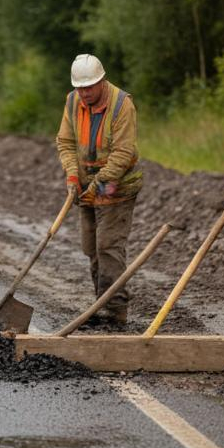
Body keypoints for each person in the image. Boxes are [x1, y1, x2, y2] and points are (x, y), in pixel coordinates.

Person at [57, 54, 143, 325]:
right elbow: (66, 142)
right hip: (85, 189)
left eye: (89, 88)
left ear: (102, 81)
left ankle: (115, 309)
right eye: (79, 88)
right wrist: (72, 175)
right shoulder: (73, 102)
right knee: (91, 247)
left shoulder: (121, 105)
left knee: (108, 246)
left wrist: (98, 186)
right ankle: (100, 302)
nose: (83, 93)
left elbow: (122, 152)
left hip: (116, 186)